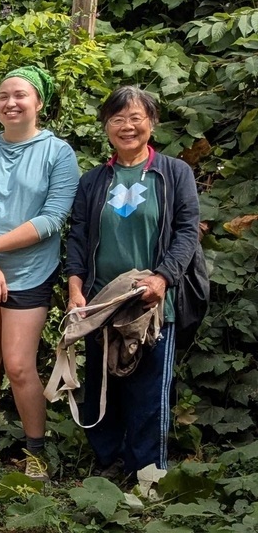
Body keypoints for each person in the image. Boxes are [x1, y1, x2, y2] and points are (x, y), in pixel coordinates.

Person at [0, 65, 80, 481]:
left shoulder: (58, 154)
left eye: (20, 95)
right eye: (4, 95)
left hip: (29, 273)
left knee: (20, 364)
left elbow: (53, 218)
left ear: (38, 102)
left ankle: (35, 450)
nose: (11, 103)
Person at [65, 86, 200, 480]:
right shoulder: (93, 181)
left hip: (154, 304)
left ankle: (147, 475)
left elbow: (187, 232)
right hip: (101, 304)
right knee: (102, 389)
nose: (127, 127)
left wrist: (164, 277)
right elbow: (78, 237)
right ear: (106, 125)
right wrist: (76, 290)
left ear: (152, 123)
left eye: (136, 118)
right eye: (118, 119)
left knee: (147, 393)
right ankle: (109, 465)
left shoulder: (174, 173)